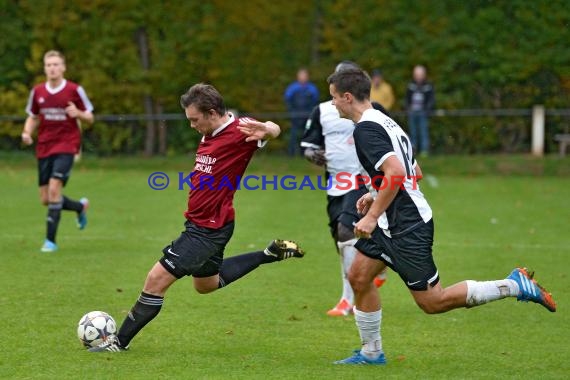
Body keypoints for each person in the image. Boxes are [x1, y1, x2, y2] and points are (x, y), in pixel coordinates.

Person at [326, 68, 556, 365]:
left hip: (405, 225)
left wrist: (371, 216)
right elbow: (413, 173)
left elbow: (397, 173)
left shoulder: (366, 129)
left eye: (333, 98)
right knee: (358, 276)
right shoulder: (386, 122)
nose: (332, 104)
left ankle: (514, 285)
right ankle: (371, 353)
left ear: (347, 97)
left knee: (433, 302)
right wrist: (374, 192)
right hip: (392, 221)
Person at [90, 83, 305, 352]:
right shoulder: (211, 130)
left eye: (194, 120)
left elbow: (272, 129)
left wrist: (270, 128)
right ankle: (268, 254)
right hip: (209, 223)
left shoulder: (240, 130)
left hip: (207, 229)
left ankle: (118, 343)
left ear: (212, 113)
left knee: (155, 280)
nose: (192, 125)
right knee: (206, 285)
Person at [301, 61, 388, 317]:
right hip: (335, 182)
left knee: (344, 232)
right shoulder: (322, 110)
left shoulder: (374, 110)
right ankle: (376, 265)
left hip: (361, 181)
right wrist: (311, 153)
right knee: (341, 242)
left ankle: (348, 299)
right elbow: (308, 143)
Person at [21, 50, 94, 253]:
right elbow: (33, 116)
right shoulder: (38, 92)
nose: (52, 68)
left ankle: (50, 241)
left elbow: (90, 117)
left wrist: (78, 113)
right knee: (46, 199)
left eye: (56, 64)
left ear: (63, 67)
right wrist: (27, 132)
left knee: (54, 189)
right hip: (45, 146)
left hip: (67, 145)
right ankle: (79, 207)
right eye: (48, 65)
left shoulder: (74, 90)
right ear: (44, 68)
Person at [284, 67, 319, 156]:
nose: (303, 77)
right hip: (295, 116)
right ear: (297, 76)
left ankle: (305, 154)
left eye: (304, 75)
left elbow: (315, 101)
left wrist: (311, 114)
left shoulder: (312, 88)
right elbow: (288, 100)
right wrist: (292, 112)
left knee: (307, 134)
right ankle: (291, 154)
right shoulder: (293, 87)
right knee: (294, 135)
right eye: (301, 75)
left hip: (307, 116)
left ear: (307, 77)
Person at [404, 65, 435, 156]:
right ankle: (413, 150)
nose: (418, 77)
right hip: (412, 111)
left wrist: (427, 109)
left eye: (420, 75)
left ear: (424, 75)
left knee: (423, 131)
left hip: (423, 112)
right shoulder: (411, 85)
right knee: (413, 132)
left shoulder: (428, 85)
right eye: (417, 75)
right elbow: (407, 98)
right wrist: (407, 108)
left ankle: (424, 150)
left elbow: (431, 99)